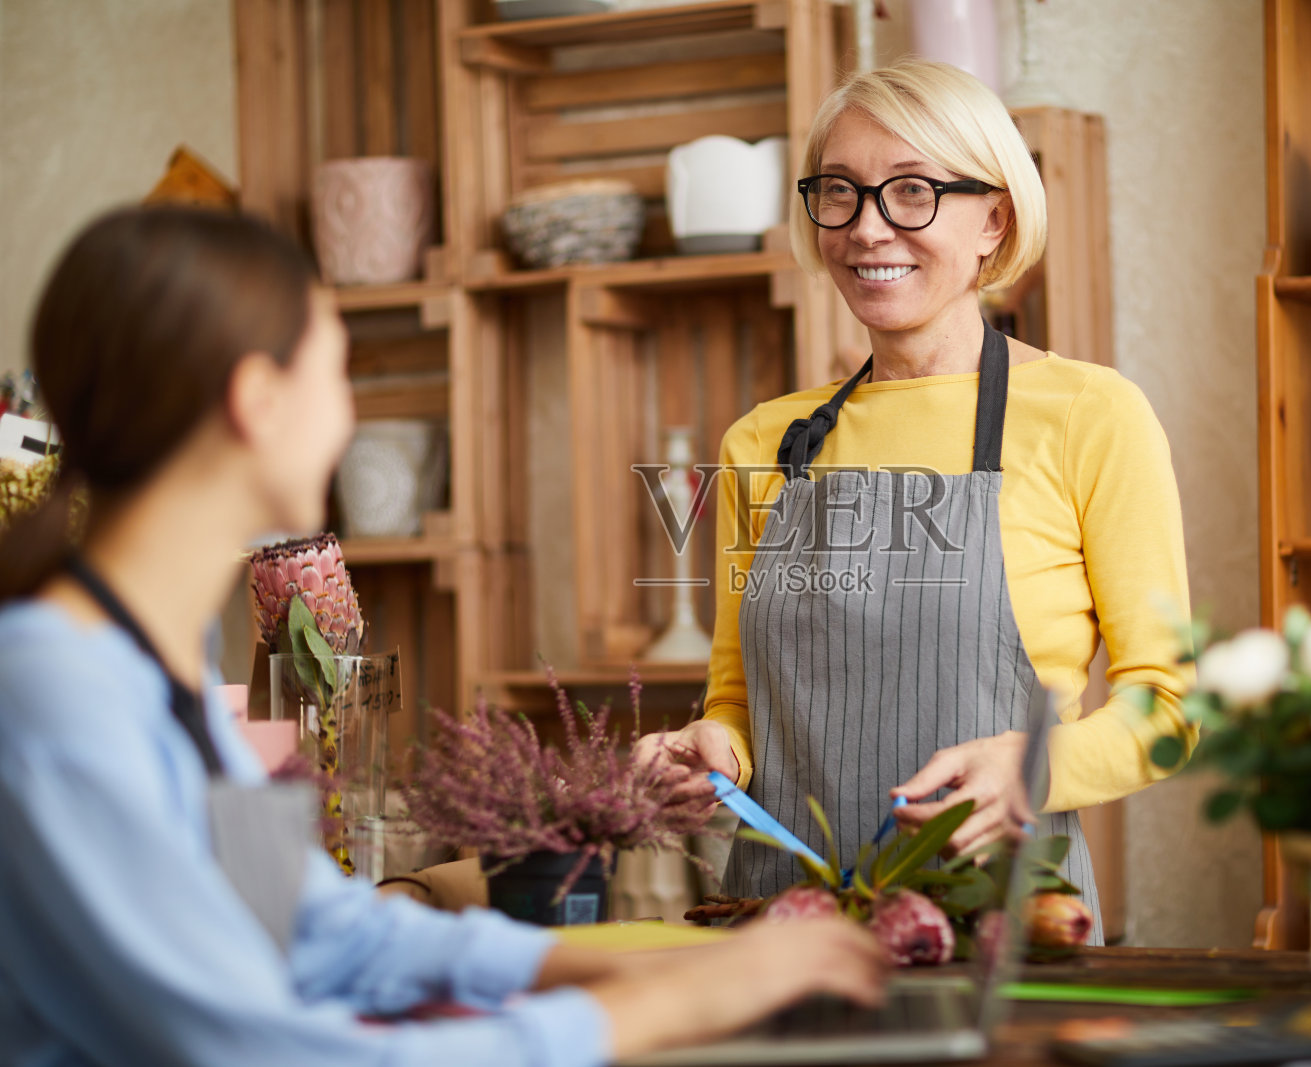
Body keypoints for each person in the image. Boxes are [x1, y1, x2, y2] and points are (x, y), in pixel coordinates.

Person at [0, 206, 886, 1067]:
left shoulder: (163, 667)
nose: (347, 423)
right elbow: (255, 1050)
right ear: (256, 401)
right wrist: (651, 1010)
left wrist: (625, 965)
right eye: (339, 374)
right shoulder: (55, 697)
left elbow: (314, 928)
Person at [639, 59, 1194, 940]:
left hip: (998, 935)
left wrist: (1035, 765)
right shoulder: (762, 443)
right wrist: (709, 753)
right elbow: (740, 704)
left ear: (994, 218)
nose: (868, 230)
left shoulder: (1093, 416)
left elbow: (1169, 706)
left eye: (910, 193)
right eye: (841, 194)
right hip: (778, 931)